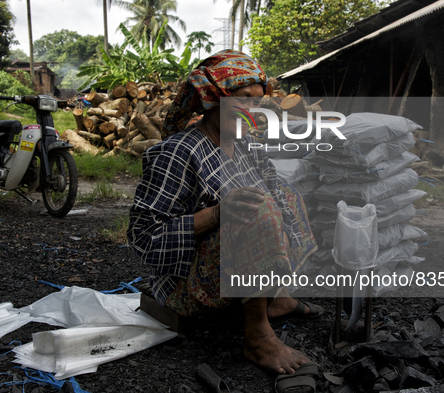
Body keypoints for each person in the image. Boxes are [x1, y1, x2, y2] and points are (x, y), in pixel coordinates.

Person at [128, 50, 320, 375]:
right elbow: (144, 237)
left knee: (284, 194)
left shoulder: (246, 146)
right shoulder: (178, 153)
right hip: (187, 284)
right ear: (215, 99)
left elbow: (275, 192)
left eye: (257, 102)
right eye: (243, 99)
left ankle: (276, 296)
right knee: (255, 210)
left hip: (232, 270)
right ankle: (257, 337)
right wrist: (217, 215)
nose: (251, 110)